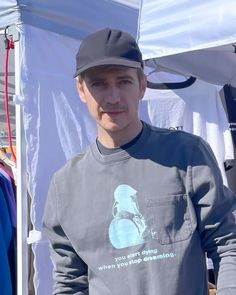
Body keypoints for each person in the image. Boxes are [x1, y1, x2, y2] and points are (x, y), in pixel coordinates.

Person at [42, 27, 236, 295]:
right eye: (99, 83)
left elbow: (228, 243)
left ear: (142, 85)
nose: (113, 97)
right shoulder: (65, 185)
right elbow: (69, 282)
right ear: (81, 89)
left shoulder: (187, 155)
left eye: (123, 81)